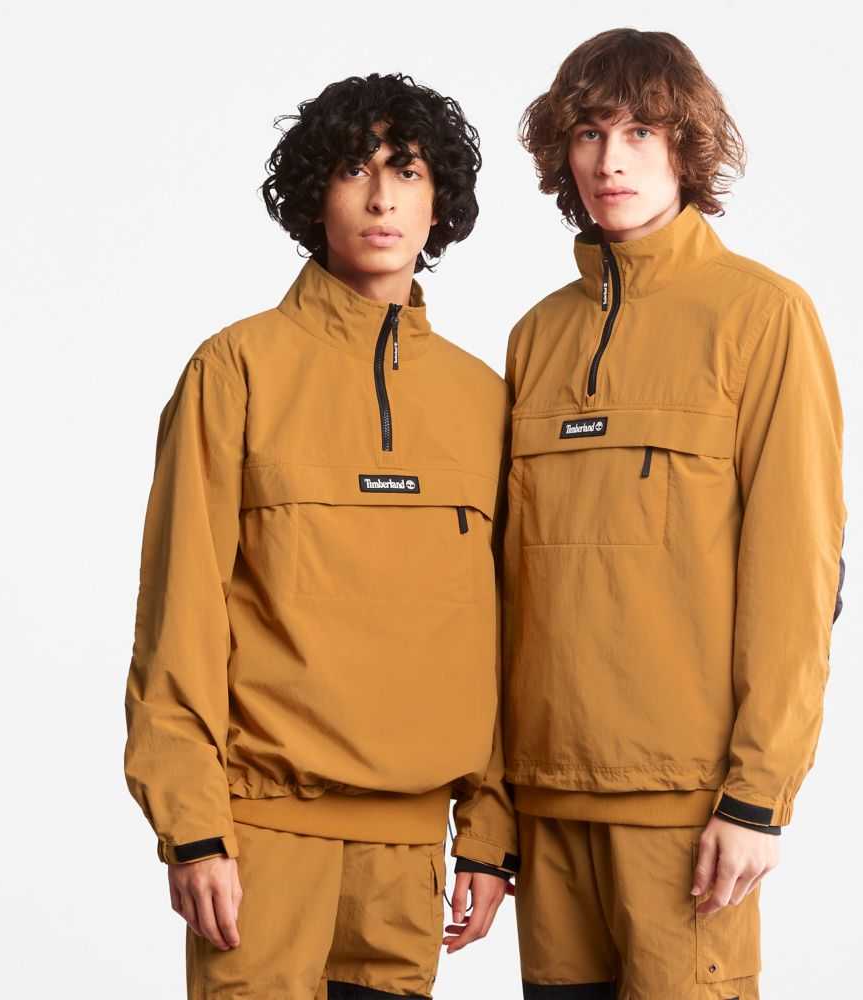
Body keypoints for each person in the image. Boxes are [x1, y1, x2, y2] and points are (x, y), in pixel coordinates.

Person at [123, 72, 517, 1000]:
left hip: (411, 854)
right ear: (315, 196)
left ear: (438, 202)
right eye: (353, 169)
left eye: (407, 172)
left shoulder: (484, 400)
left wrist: (490, 834)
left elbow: (508, 632)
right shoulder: (236, 369)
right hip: (263, 837)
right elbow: (179, 613)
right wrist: (194, 829)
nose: (382, 198)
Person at [501, 29, 847, 998]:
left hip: (686, 807)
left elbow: (798, 576)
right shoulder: (535, 336)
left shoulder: (762, 315)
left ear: (686, 148)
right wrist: (492, 813)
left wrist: (757, 796)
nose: (610, 160)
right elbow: (504, 588)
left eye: (640, 132)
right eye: (588, 133)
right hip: (546, 798)